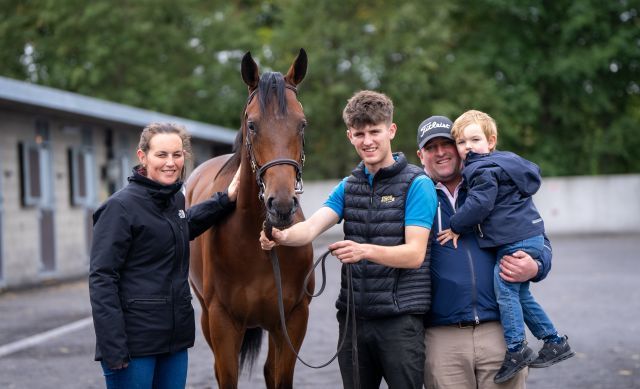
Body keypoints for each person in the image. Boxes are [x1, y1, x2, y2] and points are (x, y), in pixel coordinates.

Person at [260, 90, 437, 389]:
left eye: (374, 132)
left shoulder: (417, 185)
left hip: (400, 322)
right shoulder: (348, 185)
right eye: (359, 134)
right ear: (349, 136)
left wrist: (363, 251)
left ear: (391, 130)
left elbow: (414, 254)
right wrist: (280, 236)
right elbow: (312, 227)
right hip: (353, 322)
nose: (367, 141)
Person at [89, 122, 240, 389]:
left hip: (174, 342)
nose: (171, 163)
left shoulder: (174, 202)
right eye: (161, 155)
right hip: (134, 347)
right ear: (142, 156)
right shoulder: (119, 208)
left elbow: (183, 226)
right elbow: (102, 279)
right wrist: (113, 347)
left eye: (177, 155)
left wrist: (224, 200)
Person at [415, 115, 554, 389]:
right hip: (443, 338)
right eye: (431, 147)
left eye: (447, 144)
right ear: (421, 156)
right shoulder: (416, 195)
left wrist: (537, 266)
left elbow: (538, 237)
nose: (441, 152)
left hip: (499, 333)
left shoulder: (493, 183)